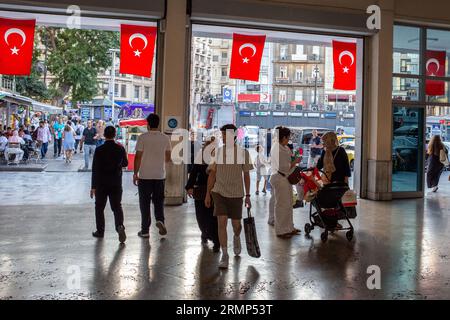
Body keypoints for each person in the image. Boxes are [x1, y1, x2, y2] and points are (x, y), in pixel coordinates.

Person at [205, 124, 253, 269]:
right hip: (219, 192)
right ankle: (225, 254)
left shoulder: (243, 153)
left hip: (237, 194)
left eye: (225, 134)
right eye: (222, 135)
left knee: (236, 225)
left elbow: (246, 175)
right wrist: (208, 193)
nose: (223, 137)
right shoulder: (218, 152)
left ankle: (237, 237)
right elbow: (212, 174)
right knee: (222, 222)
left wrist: (248, 195)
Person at [133, 114, 172, 239]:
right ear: (158, 124)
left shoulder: (143, 138)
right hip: (160, 175)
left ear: (147, 124)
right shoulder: (165, 138)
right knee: (158, 201)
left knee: (144, 203)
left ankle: (145, 230)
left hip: (145, 176)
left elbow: (138, 156)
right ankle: (160, 220)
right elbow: (168, 158)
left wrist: (135, 173)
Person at [91, 126, 128, 243]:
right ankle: (119, 226)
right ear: (115, 135)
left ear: (104, 135)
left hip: (101, 184)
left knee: (99, 208)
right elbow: (125, 163)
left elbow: (95, 169)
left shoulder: (99, 149)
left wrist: (93, 187)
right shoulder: (120, 149)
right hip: (116, 183)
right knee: (117, 207)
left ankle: (100, 231)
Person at [185, 137, 220, 252]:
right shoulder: (201, 156)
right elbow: (194, 171)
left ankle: (216, 240)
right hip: (200, 190)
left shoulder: (219, 157)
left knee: (213, 218)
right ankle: (205, 233)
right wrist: (189, 186)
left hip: (215, 190)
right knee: (201, 217)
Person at [268, 126, 302, 238]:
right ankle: (281, 230)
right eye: (288, 137)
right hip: (280, 178)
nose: (289, 139)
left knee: (288, 204)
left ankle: (289, 227)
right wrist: (295, 162)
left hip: (285, 179)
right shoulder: (277, 148)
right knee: (282, 205)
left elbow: (289, 160)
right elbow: (284, 167)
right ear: (283, 137)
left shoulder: (284, 147)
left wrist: (295, 158)